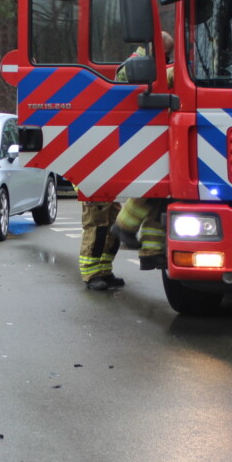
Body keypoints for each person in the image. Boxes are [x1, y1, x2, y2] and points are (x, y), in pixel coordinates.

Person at [112, 32, 174, 269]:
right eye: (165, 53)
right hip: (143, 134)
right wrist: (178, 71)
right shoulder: (133, 66)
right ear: (155, 49)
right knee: (151, 189)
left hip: (155, 133)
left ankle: (151, 252)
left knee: (160, 199)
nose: (167, 57)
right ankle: (123, 226)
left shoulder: (149, 64)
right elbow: (148, 86)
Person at [79, 200, 124, 291]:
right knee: (96, 231)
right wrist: (87, 191)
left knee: (114, 230)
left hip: (111, 192)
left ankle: (105, 271)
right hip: (94, 193)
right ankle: (91, 275)